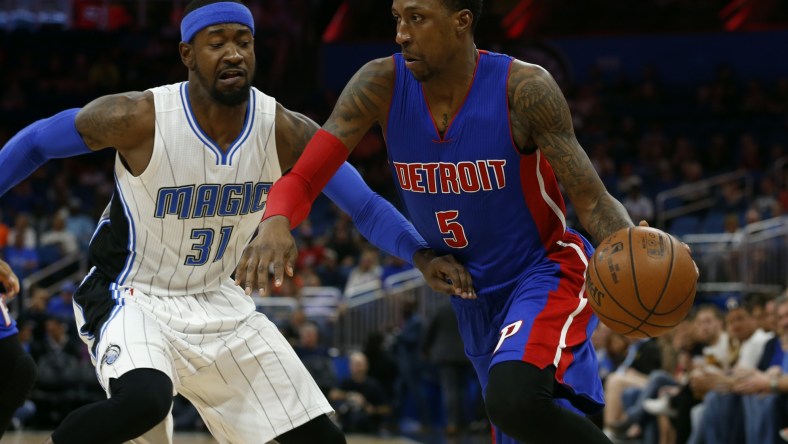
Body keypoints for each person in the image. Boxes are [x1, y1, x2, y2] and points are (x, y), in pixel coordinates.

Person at [0, 1, 469, 442]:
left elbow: (363, 205)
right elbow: (37, 142)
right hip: (131, 292)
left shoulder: (283, 128)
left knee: (321, 437)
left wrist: (419, 253)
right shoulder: (140, 116)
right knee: (143, 401)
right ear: (187, 53)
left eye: (244, 41)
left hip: (219, 301)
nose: (233, 53)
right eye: (217, 42)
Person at [251, 1, 696, 442]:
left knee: (514, 399)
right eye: (398, 18)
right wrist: (276, 219)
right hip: (472, 298)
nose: (401, 33)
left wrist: (633, 247)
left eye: (417, 18)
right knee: (519, 420)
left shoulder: (523, 88)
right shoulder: (380, 83)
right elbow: (309, 175)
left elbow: (591, 198)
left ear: (462, 21)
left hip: (542, 273)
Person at [0, 258, 36, 438]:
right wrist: (7, 273)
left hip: (9, 367)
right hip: (17, 365)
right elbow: (13, 285)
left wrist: (7, 273)